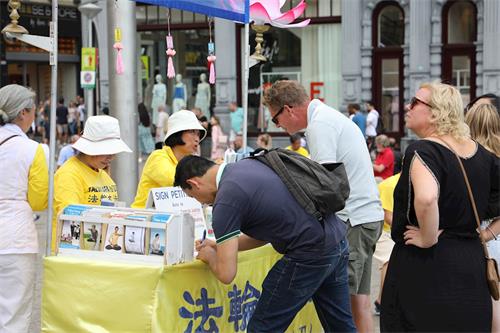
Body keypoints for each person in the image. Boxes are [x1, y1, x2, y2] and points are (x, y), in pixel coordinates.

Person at [174, 156, 356, 333]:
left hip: (309, 253)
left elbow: (226, 273)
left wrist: (210, 256)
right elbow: (266, 235)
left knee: (262, 328)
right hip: (336, 240)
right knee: (340, 326)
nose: (201, 202)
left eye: (194, 196)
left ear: (195, 183)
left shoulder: (225, 201)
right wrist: (218, 245)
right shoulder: (249, 165)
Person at [263, 80, 383, 333]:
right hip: (364, 216)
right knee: (357, 304)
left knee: (345, 308)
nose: (280, 127)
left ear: (288, 109)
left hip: (352, 219)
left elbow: (323, 188)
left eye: (276, 119)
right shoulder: (326, 118)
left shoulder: (320, 125)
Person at [380, 82, 498, 332]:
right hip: (469, 264)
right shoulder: (482, 155)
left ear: (436, 112)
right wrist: (487, 233)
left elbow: (426, 197)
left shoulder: (423, 150)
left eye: (414, 102)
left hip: (426, 267)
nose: (407, 107)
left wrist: (428, 236)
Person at [0, 84, 49, 332]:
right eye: (33, 111)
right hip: (16, 239)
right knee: (14, 315)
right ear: (23, 113)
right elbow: (39, 201)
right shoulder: (34, 150)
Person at [53, 115, 132, 252]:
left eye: (114, 151)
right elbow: (71, 217)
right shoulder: (69, 174)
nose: (111, 156)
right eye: (106, 151)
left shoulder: (104, 175)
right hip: (73, 253)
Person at [464, 101, 500, 332]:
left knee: (487, 302)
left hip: (477, 237)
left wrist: (485, 234)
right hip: (494, 237)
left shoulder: (469, 158)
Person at [131, 110, 207, 208]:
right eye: (192, 132)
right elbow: (174, 181)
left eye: (198, 134)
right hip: (142, 219)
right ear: (178, 133)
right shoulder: (158, 157)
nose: (197, 139)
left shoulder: (189, 162)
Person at [372, 173, 399, 316]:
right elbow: (389, 218)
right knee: (388, 260)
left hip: (398, 230)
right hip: (383, 231)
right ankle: (382, 301)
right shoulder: (390, 185)